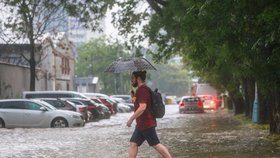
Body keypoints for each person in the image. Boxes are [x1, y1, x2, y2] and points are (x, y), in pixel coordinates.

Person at [127, 71, 172, 158]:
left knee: (156, 144)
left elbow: (143, 107)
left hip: (146, 123)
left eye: (133, 78)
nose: (131, 80)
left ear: (138, 79)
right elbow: (139, 104)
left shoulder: (142, 90)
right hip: (141, 124)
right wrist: (133, 97)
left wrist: (131, 119)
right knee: (133, 144)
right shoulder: (140, 90)